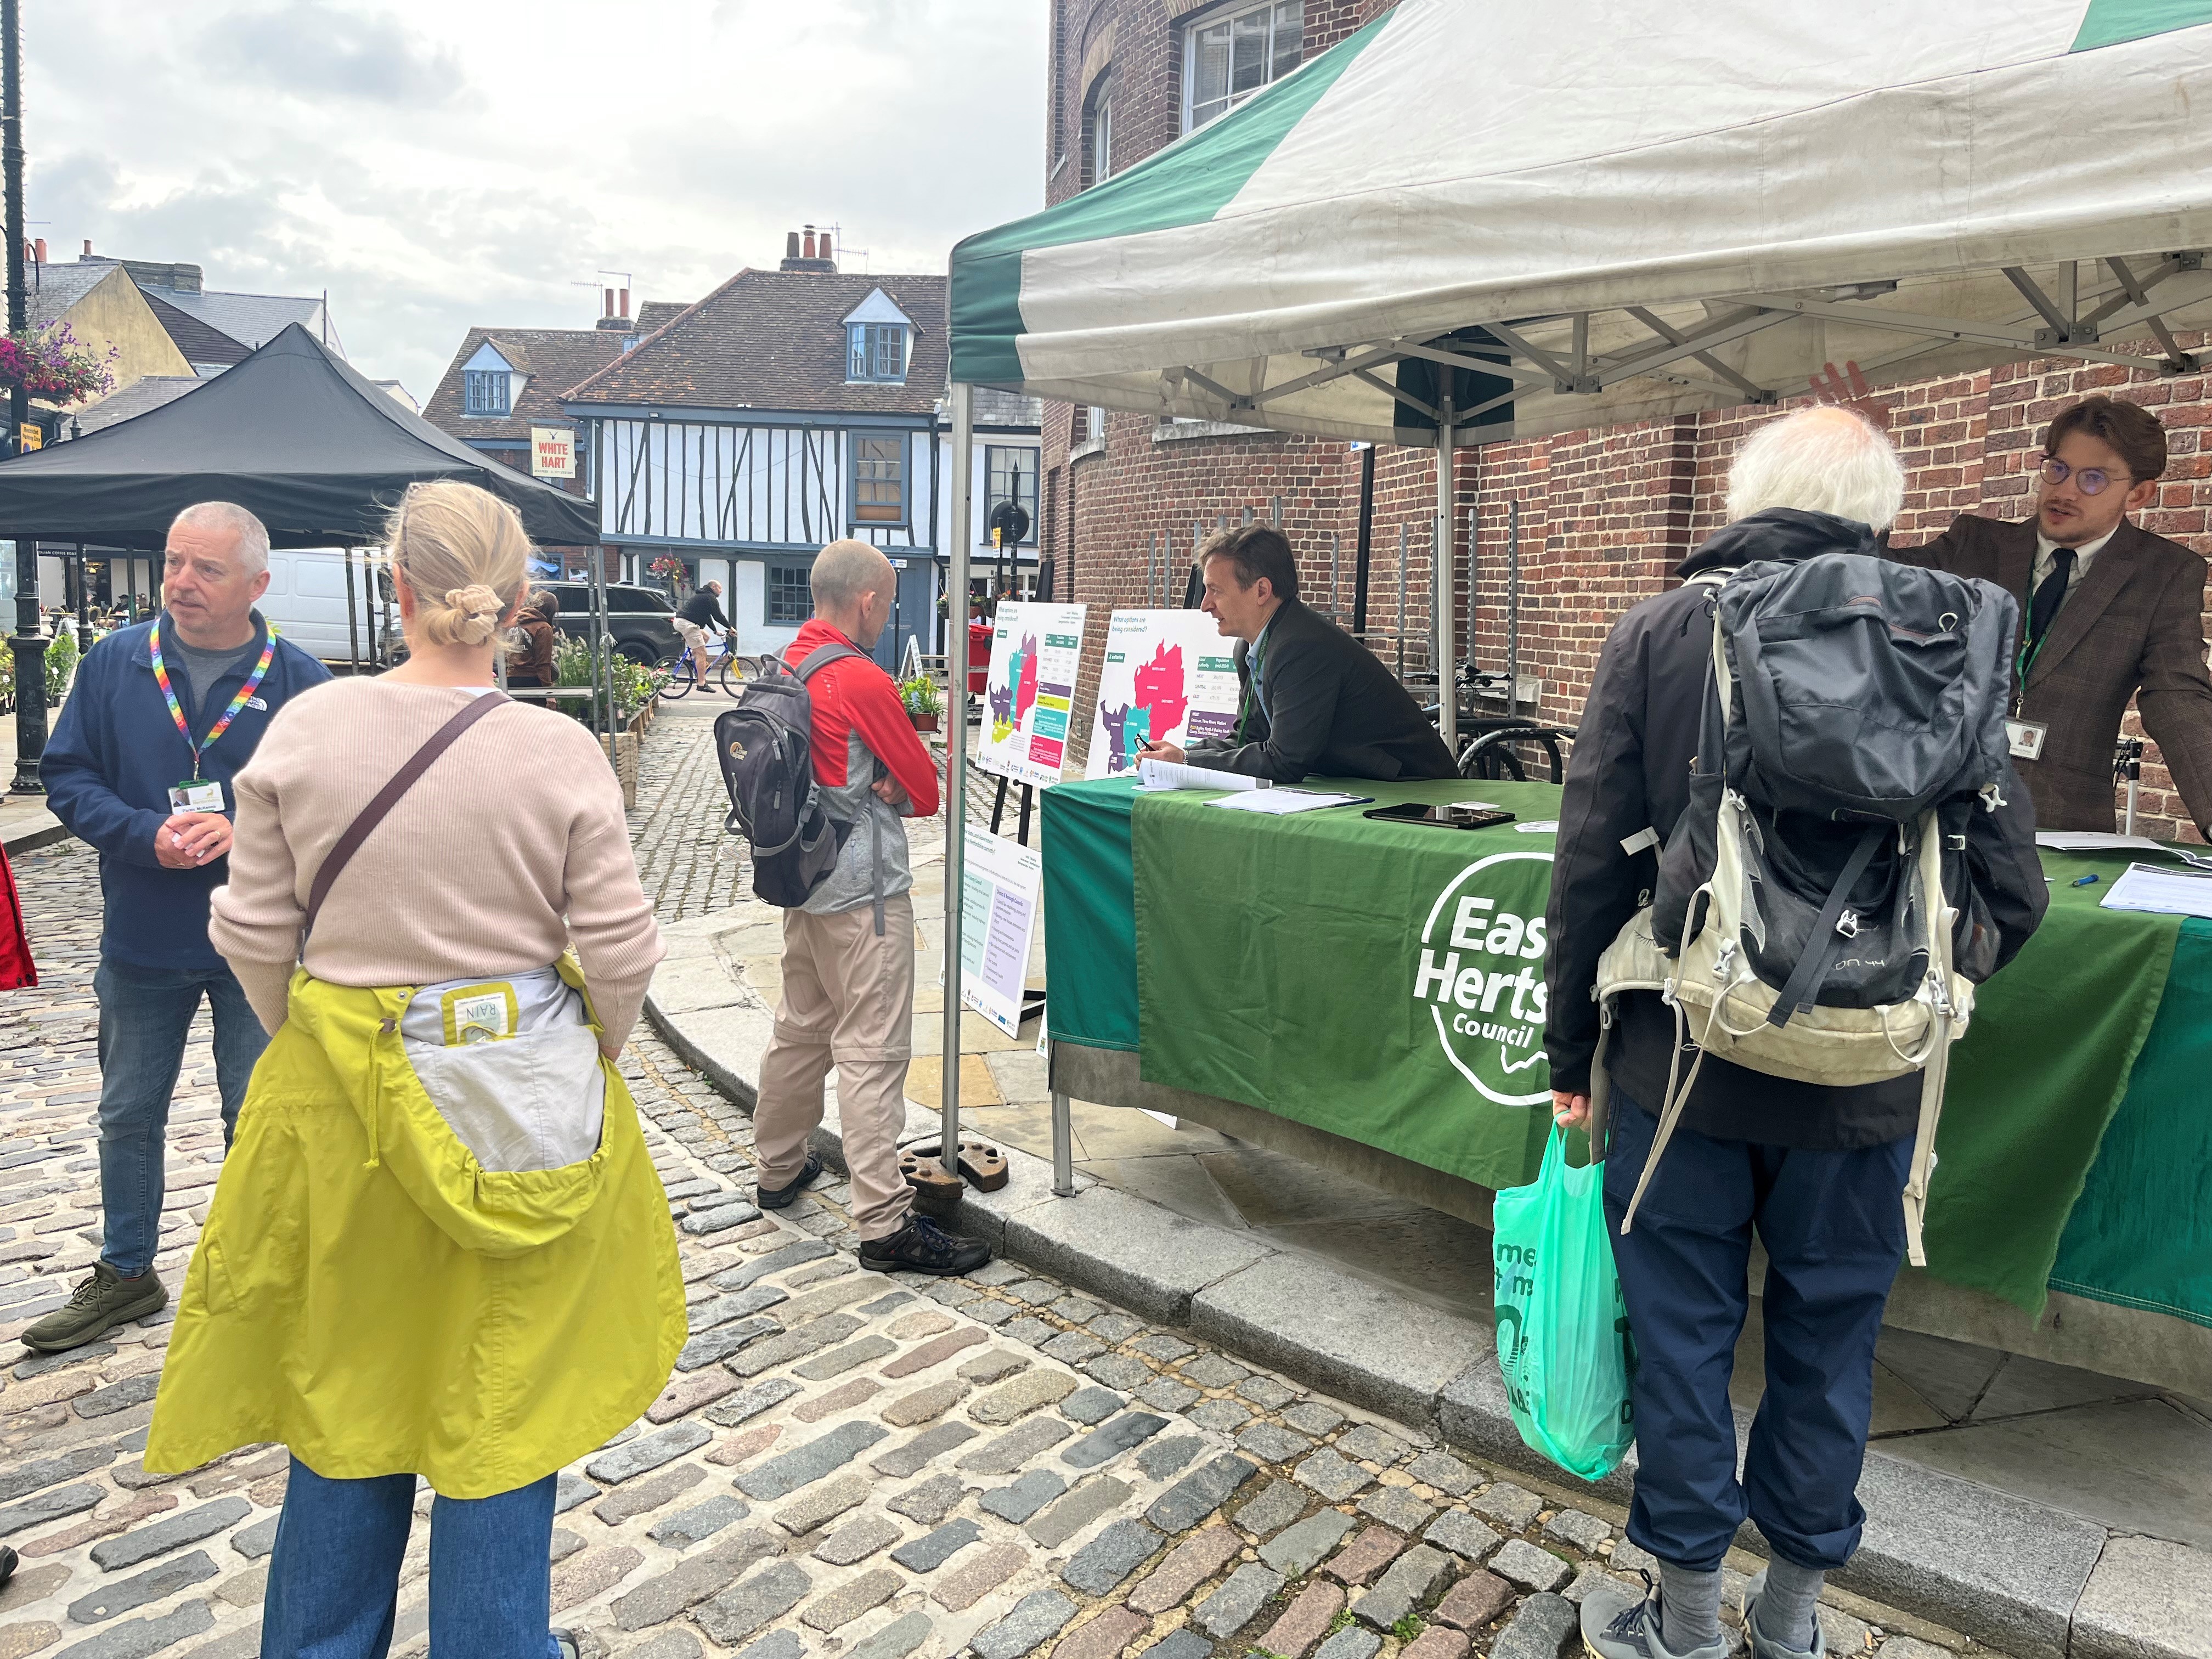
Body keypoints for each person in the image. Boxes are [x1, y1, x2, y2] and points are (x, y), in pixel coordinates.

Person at [142, 480, 678, 1659]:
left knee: (348, 1393)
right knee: (504, 1400)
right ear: (520, 601)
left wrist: (326, 1039)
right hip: (517, 1114)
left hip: (344, 1121)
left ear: (397, 586)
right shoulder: (557, 748)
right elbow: (622, 949)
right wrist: (582, 1052)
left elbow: (252, 932)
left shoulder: (310, 726)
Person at [1545, 409, 2047, 1659]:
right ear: (1880, 516)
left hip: (1685, 1060)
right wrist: (1912, 981)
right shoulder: (1948, 643)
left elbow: (1587, 861)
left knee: (1680, 1337)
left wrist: (1567, 1055)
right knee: (1831, 1347)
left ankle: (1686, 1626)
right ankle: (1792, 1623)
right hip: (1867, 1086)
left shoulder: (1661, 631)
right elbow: (2013, 890)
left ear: (1743, 500)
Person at [34, 502, 331, 1354]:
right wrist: (142, 833)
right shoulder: (115, 662)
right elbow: (67, 776)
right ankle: (127, 1272)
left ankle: (254, 1282)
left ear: (257, 584)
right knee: (128, 1113)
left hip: (257, 947)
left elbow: (335, 805)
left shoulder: (302, 682)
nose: (181, 583)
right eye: (174, 562)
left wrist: (247, 828)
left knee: (257, 1119)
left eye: (207, 569)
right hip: (143, 935)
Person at [1816, 365, 2212, 839]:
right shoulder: (1974, 545)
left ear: (2139, 493)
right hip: (1938, 811)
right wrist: (1861, 464)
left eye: (2093, 479)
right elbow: (1869, 573)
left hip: (2061, 827)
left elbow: (2177, 695)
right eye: (2058, 469)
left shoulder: (2163, 574)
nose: (2065, 491)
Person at [752, 539, 991, 1275]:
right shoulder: (860, 678)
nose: (886, 617)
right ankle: (885, 1225)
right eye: (885, 604)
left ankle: (777, 1168)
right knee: (871, 1050)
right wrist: (890, 779)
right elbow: (926, 790)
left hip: (802, 883)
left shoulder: (786, 663)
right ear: (866, 601)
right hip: (865, 898)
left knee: (800, 1031)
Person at [1137, 524, 1459, 783]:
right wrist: (1180, 755)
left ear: (1262, 591)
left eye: (1216, 591)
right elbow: (1248, 738)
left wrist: (1186, 761)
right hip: (1365, 785)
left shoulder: (1301, 647)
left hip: (1417, 790)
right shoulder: (1252, 645)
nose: (1205, 605)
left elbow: (1284, 761)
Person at [674, 578, 731, 690]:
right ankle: (701, 684)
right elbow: (718, 616)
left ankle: (689, 659)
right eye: (720, 588)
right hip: (688, 624)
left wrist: (715, 631)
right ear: (713, 587)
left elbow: (708, 617)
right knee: (702, 653)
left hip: (683, 622)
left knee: (706, 637)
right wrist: (730, 627)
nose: (721, 591)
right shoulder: (710, 598)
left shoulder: (703, 597)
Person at [506, 588, 560, 687]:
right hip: (533, 680)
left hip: (510, 679)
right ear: (550, 610)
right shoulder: (543, 627)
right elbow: (543, 663)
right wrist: (548, 687)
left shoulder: (513, 622)